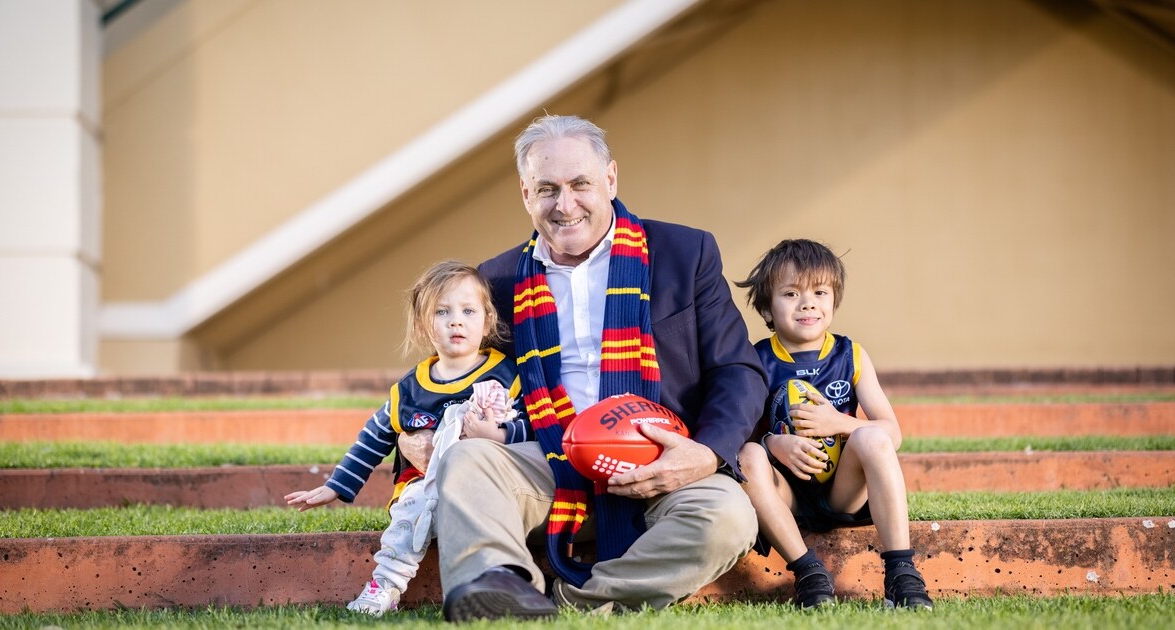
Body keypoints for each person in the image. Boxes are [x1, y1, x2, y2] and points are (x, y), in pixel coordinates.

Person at [435, 114, 767, 622]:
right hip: (546, 456)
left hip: (661, 458)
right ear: (525, 194)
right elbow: (459, 370)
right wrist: (418, 440)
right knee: (467, 463)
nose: (565, 205)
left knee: (726, 518)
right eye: (546, 189)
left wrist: (704, 454)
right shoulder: (496, 281)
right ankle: (494, 582)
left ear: (610, 179)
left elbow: (738, 369)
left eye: (580, 184)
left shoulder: (685, 252)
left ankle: (572, 603)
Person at [284, 260, 531, 616]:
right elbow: (373, 437)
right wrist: (336, 485)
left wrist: (500, 432)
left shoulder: (507, 375)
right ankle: (385, 585)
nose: (455, 321)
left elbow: (532, 425)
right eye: (442, 312)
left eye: (467, 311)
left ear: (487, 320)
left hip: (484, 484)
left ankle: (495, 584)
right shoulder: (410, 388)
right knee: (409, 518)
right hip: (422, 487)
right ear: (422, 324)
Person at [733, 239, 933, 610]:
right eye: (791, 293)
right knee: (747, 456)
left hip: (843, 490)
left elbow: (893, 433)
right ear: (767, 308)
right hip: (786, 493)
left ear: (833, 301)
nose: (807, 302)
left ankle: (901, 573)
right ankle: (809, 573)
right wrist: (772, 444)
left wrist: (838, 421)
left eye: (819, 292)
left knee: (873, 438)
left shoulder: (851, 355)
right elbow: (740, 433)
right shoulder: (757, 358)